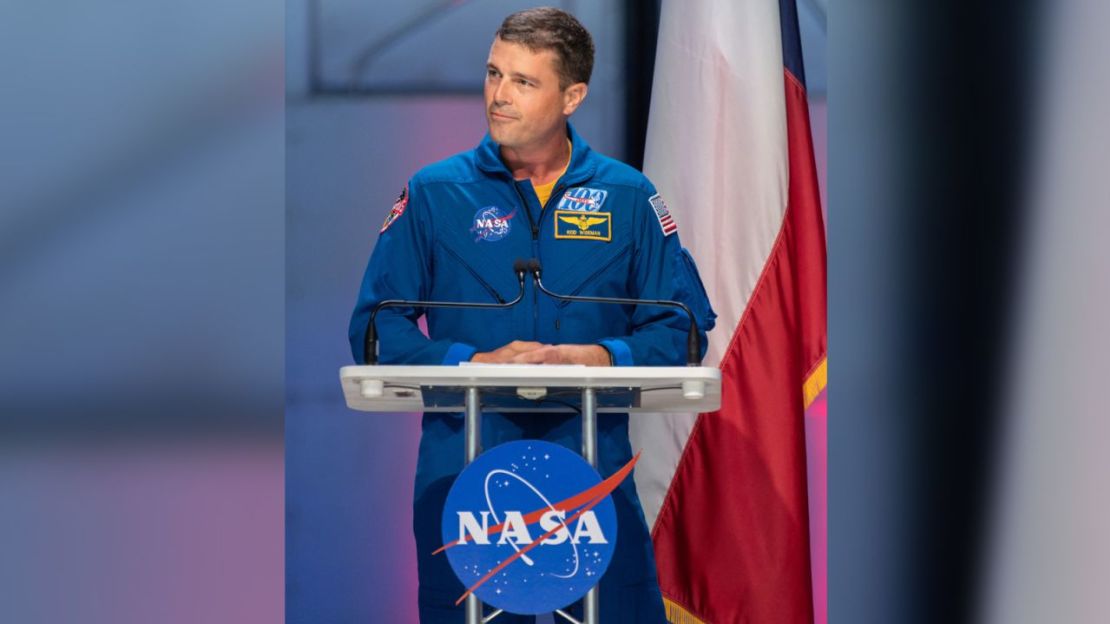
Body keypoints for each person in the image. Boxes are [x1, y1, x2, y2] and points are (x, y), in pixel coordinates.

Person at [349, 7, 715, 623]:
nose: (498, 96)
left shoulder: (628, 196)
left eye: (523, 81)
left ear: (572, 95)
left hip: (592, 467)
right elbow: (375, 330)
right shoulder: (436, 192)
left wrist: (597, 358)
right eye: (494, 74)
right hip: (467, 474)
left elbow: (682, 331)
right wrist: (472, 362)